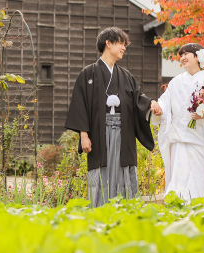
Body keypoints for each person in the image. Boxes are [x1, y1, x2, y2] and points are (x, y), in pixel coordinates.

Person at [65, 27, 163, 207]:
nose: (124, 47)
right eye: (120, 43)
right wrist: (84, 135)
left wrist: (150, 103)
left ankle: (125, 209)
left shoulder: (126, 76)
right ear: (107, 44)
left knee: (123, 170)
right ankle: (99, 209)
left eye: (125, 44)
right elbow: (81, 105)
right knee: (101, 170)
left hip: (123, 132)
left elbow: (137, 98)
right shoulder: (88, 74)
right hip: (98, 133)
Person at [152, 43, 204, 204]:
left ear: (198, 57)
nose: (183, 57)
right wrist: (159, 109)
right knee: (179, 181)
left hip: (200, 141)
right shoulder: (176, 82)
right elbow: (165, 102)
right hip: (180, 142)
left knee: (199, 182)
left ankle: (202, 213)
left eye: (187, 54)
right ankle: (177, 212)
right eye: (181, 55)